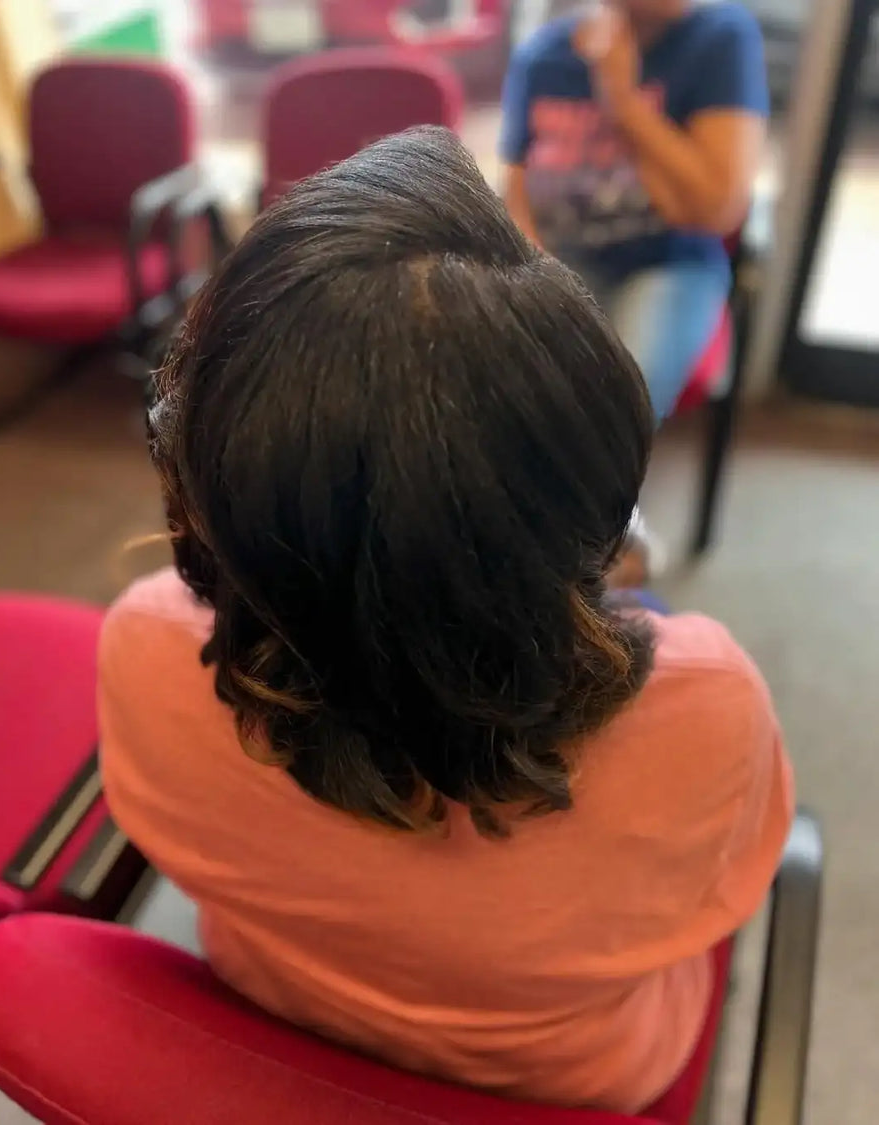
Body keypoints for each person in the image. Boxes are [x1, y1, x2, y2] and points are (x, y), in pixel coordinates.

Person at [100, 128, 792, 1115]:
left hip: (276, 1004)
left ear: (204, 472)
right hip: (577, 1081)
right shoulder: (710, 706)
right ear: (591, 518)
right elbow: (730, 880)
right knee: (650, 623)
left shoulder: (140, 642)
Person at [500, 0, 769, 421]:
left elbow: (718, 207)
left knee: (614, 410)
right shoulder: (543, 54)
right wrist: (535, 268)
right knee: (496, 389)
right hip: (556, 260)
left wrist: (622, 101)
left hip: (669, 264)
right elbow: (516, 191)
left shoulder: (720, 36)